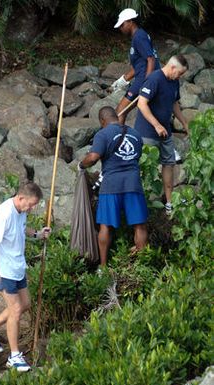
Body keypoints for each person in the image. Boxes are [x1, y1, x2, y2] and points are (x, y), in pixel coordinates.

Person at [0, 182, 51, 372]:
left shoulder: (21, 210)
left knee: (25, 304)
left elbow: (21, 228)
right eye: (31, 204)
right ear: (20, 198)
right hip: (3, 270)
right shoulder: (5, 213)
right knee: (16, 309)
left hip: (17, 266)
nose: (32, 208)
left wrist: (37, 234)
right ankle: (14, 356)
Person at [78, 106, 148, 267]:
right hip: (133, 184)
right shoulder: (135, 134)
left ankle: (103, 266)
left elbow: (93, 157)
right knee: (140, 225)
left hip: (111, 185)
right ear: (116, 117)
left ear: (102, 121)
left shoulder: (103, 134)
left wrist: (82, 165)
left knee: (106, 226)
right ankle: (143, 264)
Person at [134, 54, 189, 214]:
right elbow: (141, 104)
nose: (180, 76)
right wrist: (156, 125)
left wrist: (184, 123)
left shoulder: (174, 81)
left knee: (169, 163)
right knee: (144, 166)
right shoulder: (154, 79)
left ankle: (169, 202)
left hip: (166, 132)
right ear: (172, 67)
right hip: (147, 132)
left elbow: (174, 103)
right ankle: (141, 203)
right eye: (179, 73)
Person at [112, 8, 160, 124]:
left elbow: (151, 59)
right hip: (141, 76)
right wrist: (123, 80)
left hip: (143, 80)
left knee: (120, 111)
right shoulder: (138, 36)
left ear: (130, 22)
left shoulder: (139, 37)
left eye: (122, 25)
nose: (121, 28)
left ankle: (118, 139)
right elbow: (140, 64)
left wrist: (146, 83)